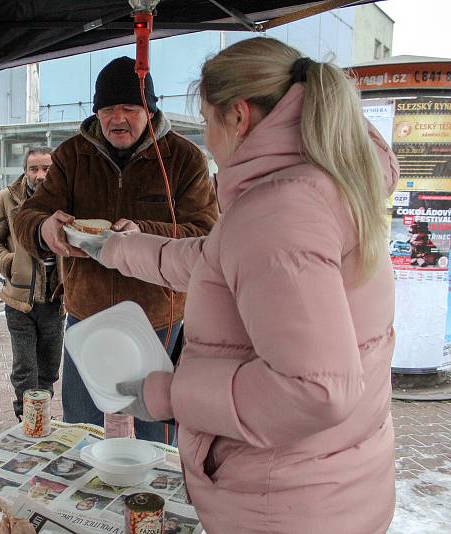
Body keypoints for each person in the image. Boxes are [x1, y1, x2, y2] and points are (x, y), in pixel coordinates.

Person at [85, 38, 399, 532]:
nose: (208, 138)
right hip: (332, 485)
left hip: (285, 504)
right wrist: (115, 247)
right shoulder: (317, 180)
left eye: (208, 120)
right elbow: (219, 264)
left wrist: (170, 396)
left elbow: (316, 390)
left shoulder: (279, 210)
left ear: (239, 117)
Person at [14, 56, 218, 443]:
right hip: (85, 317)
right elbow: (29, 215)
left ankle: (149, 500)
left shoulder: (184, 159)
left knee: (152, 430)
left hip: (157, 321)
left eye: (129, 108)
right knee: (82, 429)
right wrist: (45, 229)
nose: (117, 119)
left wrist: (143, 233)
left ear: (150, 109)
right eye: (108, 109)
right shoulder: (73, 155)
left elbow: (206, 234)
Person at [0, 146, 64, 420]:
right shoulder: (6, 200)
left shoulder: (66, 200)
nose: (40, 175)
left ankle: (42, 413)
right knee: (25, 366)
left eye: (46, 169)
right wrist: (9, 264)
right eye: (34, 169)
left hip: (55, 299)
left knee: (50, 366)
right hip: (20, 302)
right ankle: (27, 417)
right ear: (25, 171)